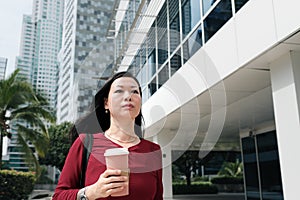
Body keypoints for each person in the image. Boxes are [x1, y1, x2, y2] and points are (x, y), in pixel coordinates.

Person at [52, 72, 163, 200]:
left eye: (135, 92)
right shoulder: (85, 142)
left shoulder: (153, 151)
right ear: (106, 103)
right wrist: (91, 192)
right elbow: (58, 196)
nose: (128, 96)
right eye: (119, 91)